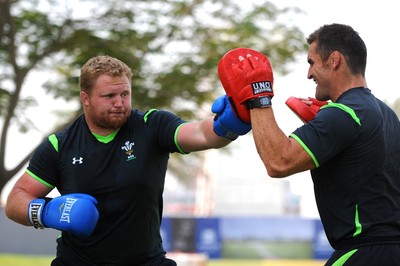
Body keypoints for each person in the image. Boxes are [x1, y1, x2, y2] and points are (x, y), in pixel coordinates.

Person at [5, 55, 251, 265]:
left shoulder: (151, 125)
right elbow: (16, 200)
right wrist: (46, 211)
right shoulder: (59, 145)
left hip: (146, 261)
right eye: (109, 95)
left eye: (125, 93)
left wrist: (228, 123)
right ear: (85, 98)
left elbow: (200, 133)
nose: (120, 103)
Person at [220, 24, 400, 265]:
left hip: (363, 253)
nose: (309, 73)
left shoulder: (345, 112)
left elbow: (279, 162)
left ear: (334, 60)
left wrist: (258, 96)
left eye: (311, 62)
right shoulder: (387, 114)